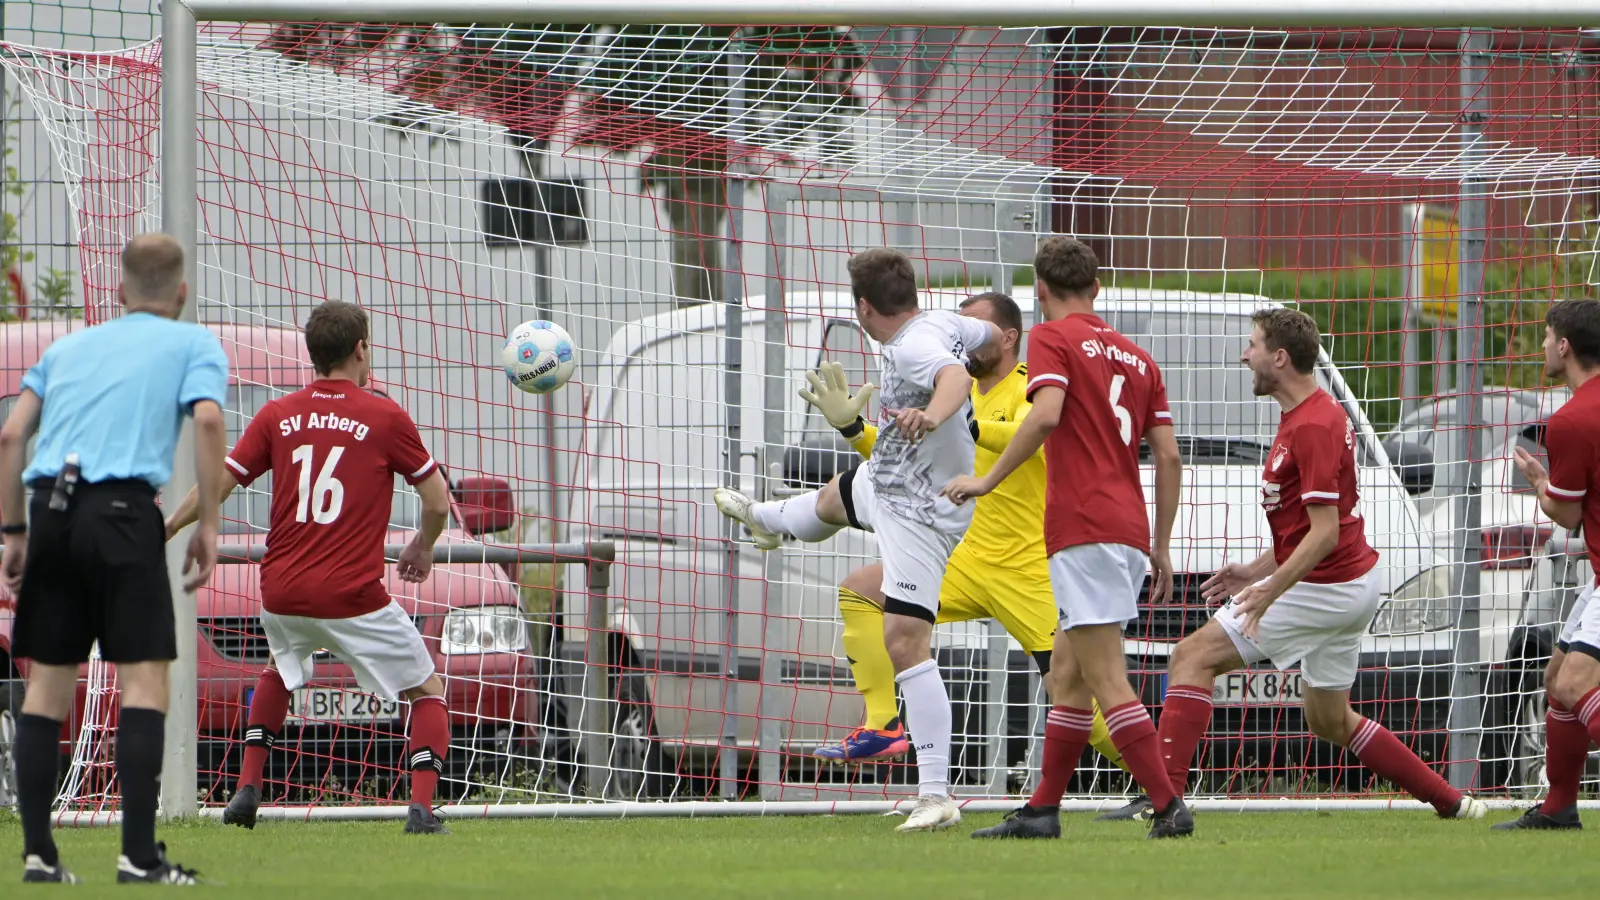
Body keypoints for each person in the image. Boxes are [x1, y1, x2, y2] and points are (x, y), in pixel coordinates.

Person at [800, 291, 1139, 814]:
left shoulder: (1030, 384)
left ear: (1006, 338)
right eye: (957, 327)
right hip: (965, 559)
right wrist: (851, 427)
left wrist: (966, 425)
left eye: (973, 329)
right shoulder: (948, 390)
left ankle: (1163, 780)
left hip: (1026, 569)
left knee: (1074, 690)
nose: (960, 338)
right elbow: (897, 458)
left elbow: (1041, 434)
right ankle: (882, 724)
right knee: (861, 592)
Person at [1153, 308, 1486, 829]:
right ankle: (1452, 801)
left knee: (1190, 657)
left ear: (1280, 358)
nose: (1244, 355)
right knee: (1329, 719)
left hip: (1325, 587)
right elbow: (1309, 529)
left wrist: (1269, 590)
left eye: (1253, 345)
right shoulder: (1311, 414)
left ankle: (1165, 803)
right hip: (1348, 584)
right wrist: (1255, 570)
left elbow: (1325, 532)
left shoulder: (1312, 425)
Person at [715, 248, 999, 832]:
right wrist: (984, 362)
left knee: (905, 642)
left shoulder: (915, 347)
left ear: (865, 307)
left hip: (921, 513)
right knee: (830, 499)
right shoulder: (945, 322)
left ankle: (936, 794)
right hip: (887, 479)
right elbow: (992, 336)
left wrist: (935, 415)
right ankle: (764, 518)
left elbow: (951, 377)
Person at [163, 299, 454, 835]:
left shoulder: (278, 414)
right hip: (351, 595)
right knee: (427, 689)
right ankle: (420, 808)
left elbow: (217, 485)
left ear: (312, 353)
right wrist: (423, 546)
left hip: (281, 591)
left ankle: (246, 789)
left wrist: (168, 525)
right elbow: (437, 502)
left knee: (281, 668)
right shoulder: (385, 416)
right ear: (361, 349)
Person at [943, 236, 1188, 839]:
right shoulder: (1138, 357)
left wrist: (986, 479)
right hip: (1127, 529)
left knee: (1105, 678)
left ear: (1041, 289)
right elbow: (1168, 455)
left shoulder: (1052, 337)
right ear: (1096, 287)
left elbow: (1047, 414)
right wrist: (1160, 544)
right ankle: (1042, 811)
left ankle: (1168, 806)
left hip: (1083, 527)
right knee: (1068, 677)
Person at [0, 234, 227, 884]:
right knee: (144, 684)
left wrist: (15, 531)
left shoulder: (65, 348)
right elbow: (208, 421)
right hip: (125, 513)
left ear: (120, 291)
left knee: (46, 688)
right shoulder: (193, 343)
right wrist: (209, 524)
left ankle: (39, 856)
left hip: (51, 509)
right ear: (181, 293)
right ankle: (138, 857)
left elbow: (11, 436)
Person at [1497, 298, 1600, 830]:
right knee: (1557, 676)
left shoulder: (1571, 419)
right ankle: (1559, 808)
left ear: (1564, 346)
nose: (1541, 346)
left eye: (1544, 336)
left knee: (1576, 684)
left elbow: (1566, 514)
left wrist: (1540, 483)